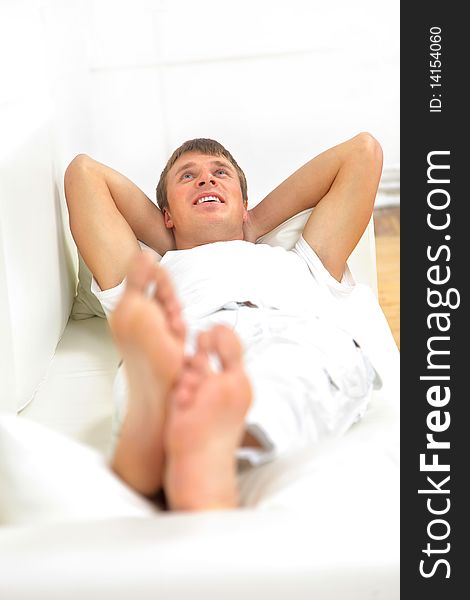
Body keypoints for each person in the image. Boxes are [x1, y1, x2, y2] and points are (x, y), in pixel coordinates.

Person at [64, 133, 383, 511]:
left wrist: (253, 223)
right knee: (158, 366)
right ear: (165, 214)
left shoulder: (303, 260)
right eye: (187, 177)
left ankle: (194, 453)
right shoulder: (154, 276)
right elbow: (84, 175)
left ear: (244, 204)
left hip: (288, 329)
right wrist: (175, 240)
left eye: (220, 173)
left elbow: (363, 152)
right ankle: (194, 445)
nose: (206, 180)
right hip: (187, 335)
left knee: (293, 370)